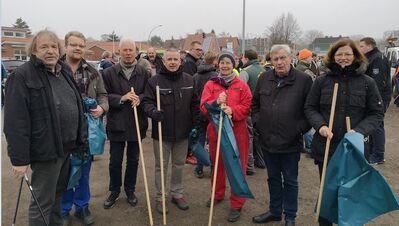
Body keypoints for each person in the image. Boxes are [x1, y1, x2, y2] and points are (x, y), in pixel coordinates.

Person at [3, 30, 88, 226]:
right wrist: (19, 159)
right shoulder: (22, 76)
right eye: (43, 47)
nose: (50, 51)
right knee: (42, 202)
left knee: (58, 195)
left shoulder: (63, 70)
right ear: (33, 50)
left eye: (53, 46)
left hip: (66, 148)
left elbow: (75, 103)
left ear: (59, 50)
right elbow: (15, 122)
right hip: (46, 151)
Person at [304, 38, 384, 226]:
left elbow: (376, 113)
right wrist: (321, 126)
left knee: (351, 192)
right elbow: (310, 107)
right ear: (333, 57)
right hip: (327, 147)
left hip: (354, 148)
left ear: (356, 56)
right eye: (339, 54)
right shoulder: (322, 81)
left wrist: (358, 131)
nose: (343, 58)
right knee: (328, 190)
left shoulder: (367, 82)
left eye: (348, 54)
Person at [251, 45, 312, 226]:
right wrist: (258, 123)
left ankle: (290, 216)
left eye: (282, 58)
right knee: (273, 178)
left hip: (290, 142)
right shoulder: (264, 78)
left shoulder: (303, 80)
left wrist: (298, 129)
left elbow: (310, 109)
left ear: (291, 57)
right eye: (275, 59)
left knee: (291, 181)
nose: (279, 62)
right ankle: (275, 211)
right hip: (268, 140)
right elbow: (255, 104)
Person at [142, 48, 200, 214]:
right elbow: (146, 102)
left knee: (179, 165)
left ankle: (177, 193)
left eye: (176, 59)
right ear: (164, 61)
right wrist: (153, 112)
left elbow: (195, 104)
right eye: (170, 59)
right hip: (162, 132)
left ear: (180, 61)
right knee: (161, 166)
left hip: (183, 132)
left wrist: (196, 124)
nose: (173, 62)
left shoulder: (189, 80)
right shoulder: (155, 81)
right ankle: (161, 197)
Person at [60, 31, 108, 226]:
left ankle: (82, 207)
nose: (77, 48)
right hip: (62, 130)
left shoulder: (92, 71)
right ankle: (63, 209)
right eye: (73, 44)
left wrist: (101, 107)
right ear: (66, 46)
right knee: (63, 171)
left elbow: (103, 94)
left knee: (84, 171)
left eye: (81, 45)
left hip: (87, 131)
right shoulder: (55, 69)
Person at [200, 51, 252, 222]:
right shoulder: (211, 84)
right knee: (217, 165)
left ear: (233, 64)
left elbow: (247, 106)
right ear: (218, 64)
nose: (225, 66)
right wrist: (215, 103)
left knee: (238, 166)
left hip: (238, 133)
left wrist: (233, 111)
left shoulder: (241, 85)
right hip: (216, 131)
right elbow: (203, 107)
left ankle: (237, 203)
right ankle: (217, 194)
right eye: (222, 62)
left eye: (228, 63)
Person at [101, 38, 151, 210]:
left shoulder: (144, 73)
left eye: (131, 50)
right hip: (117, 125)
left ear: (136, 52)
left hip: (137, 124)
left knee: (133, 160)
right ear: (119, 52)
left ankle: (130, 190)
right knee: (115, 161)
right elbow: (103, 96)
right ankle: (114, 191)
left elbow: (148, 94)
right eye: (125, 50)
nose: (128, 53)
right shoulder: (108, 73)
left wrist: (140, 98)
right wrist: (121, 98)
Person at [359, 37, 392, 164]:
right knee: (371, 125)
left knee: (377, 124)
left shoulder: (378, 58)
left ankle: (379, 155)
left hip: (379, 98)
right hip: (373, 97)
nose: (360, 48)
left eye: (362, 46)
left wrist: (371, 99)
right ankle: (372, 151)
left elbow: (378, 82)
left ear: (370, 46)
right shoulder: (370, 58)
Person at [192, 51, 219, 178]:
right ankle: (213, 165)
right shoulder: (216, 76)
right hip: (211, 110)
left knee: (200, 139)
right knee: (212, 139)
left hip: (199, 110)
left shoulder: (196, 76)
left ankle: (199, 167)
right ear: (214, 61)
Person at [239, 49, 265, 176]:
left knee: (248, 136)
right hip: (263, 108)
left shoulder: (245, 72)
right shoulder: (263, 69)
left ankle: (249, 165)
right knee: (259, 135)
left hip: (249, 109)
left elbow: (240, 91)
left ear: (246, 58)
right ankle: (261, 161)